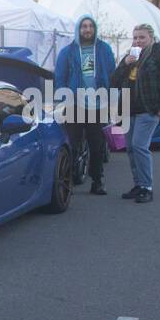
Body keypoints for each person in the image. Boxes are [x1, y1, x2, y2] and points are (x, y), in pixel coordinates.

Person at [110, 24, 160, 204]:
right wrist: (125, 65)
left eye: (142, 37)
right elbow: (114, 82)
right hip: (128, 109)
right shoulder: (130, 56)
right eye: (135, 37)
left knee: (139, 146)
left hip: (148, 109)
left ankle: (147, 187)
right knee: (131, 148)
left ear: (151, 38)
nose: (138, 41)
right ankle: (138, 184)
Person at [53, 14, 116, 194]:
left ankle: (97, 181)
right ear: (78, 29)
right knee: (72, 144)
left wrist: (112, 98)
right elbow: (60, 78)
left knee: (97, 146)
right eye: (84, 26)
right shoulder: (68, 51)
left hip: (98, 105)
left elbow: (112, 74)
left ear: (94, 29)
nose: (87, 30)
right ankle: (69, 182)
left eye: (90, 26)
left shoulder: (104, 49)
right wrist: (66, 98)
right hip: (75, 104)